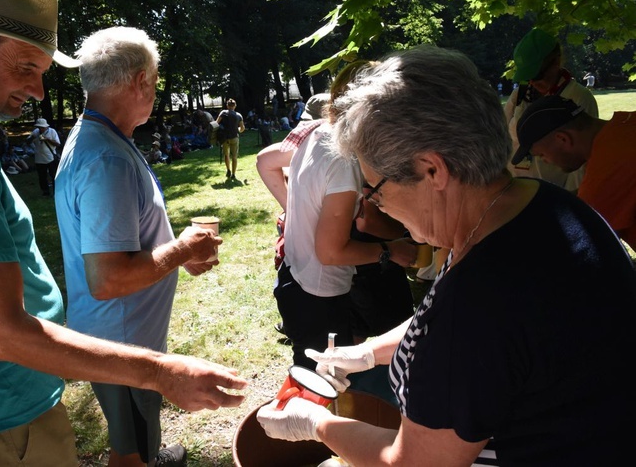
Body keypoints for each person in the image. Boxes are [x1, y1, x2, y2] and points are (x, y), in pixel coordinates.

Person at [0, 0, 246, 465]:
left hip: (5, 410)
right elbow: (3, 331)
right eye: (26, 68)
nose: (38, 90)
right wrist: (161, 373)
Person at [256, 45, 635, 466]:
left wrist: (314, 423)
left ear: (433, 171)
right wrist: (369, 351)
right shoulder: (538, 207)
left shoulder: (482, 299)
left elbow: (417, 462)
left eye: (375, 188)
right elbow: (455, 331)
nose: (372, 204)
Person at [55, 26, 230, 467]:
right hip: (121, 339)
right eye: (155, 79)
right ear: (140, 81)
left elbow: (125, 245)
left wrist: (177, 254)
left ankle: (150, 454)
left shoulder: (102, 138)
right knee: (129, 450)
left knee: (137, 431)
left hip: (123, 334)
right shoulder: (107, 158)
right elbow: (109, 279)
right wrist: (185, 248)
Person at [271, 68, 416, 371]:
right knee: (323, 381)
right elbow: (331, 251)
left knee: (318, 375)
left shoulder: (318, 133)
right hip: (317, 294)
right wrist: (391, 250)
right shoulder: (344, 159)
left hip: (297, 280)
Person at [514, 95, 636, 250]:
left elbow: (579, 245)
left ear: (563, 139)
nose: (545, 161)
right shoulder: (626, 124)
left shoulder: (608, 166)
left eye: (541, 155)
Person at [504, 28, 598, 191]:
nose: (532, 82)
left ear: (556, 62)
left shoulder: (578, 97)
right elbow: (501, 134)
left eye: (537, 75)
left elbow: (583, 159)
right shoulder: (520, 94)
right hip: (516, 188)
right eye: (528, 77)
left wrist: (569, 198)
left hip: (553, 192)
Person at [26, 117, 60, 196]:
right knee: (42, 177)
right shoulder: (35, 132)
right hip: (39, 158)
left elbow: (58, 144)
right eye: (39, 127)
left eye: (42, 127)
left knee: (53, 175)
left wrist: (47, 139)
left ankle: (56, 192)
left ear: (46, 126)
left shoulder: (52, 131)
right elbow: (27, 142)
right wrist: (32, 137)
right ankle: (45, 192)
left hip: (50, 157)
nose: (41, 129)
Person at [216, 98, 245, 179]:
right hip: (234, 137)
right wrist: (238, 130)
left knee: (226, 155)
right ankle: (233, 174)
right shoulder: (239, 115)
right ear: (235, 106)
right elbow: (242, 128)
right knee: (234, 157)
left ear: (227, 105)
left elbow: (216, 123)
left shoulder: (223, 113)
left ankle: (228, 170)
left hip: (224, 138)